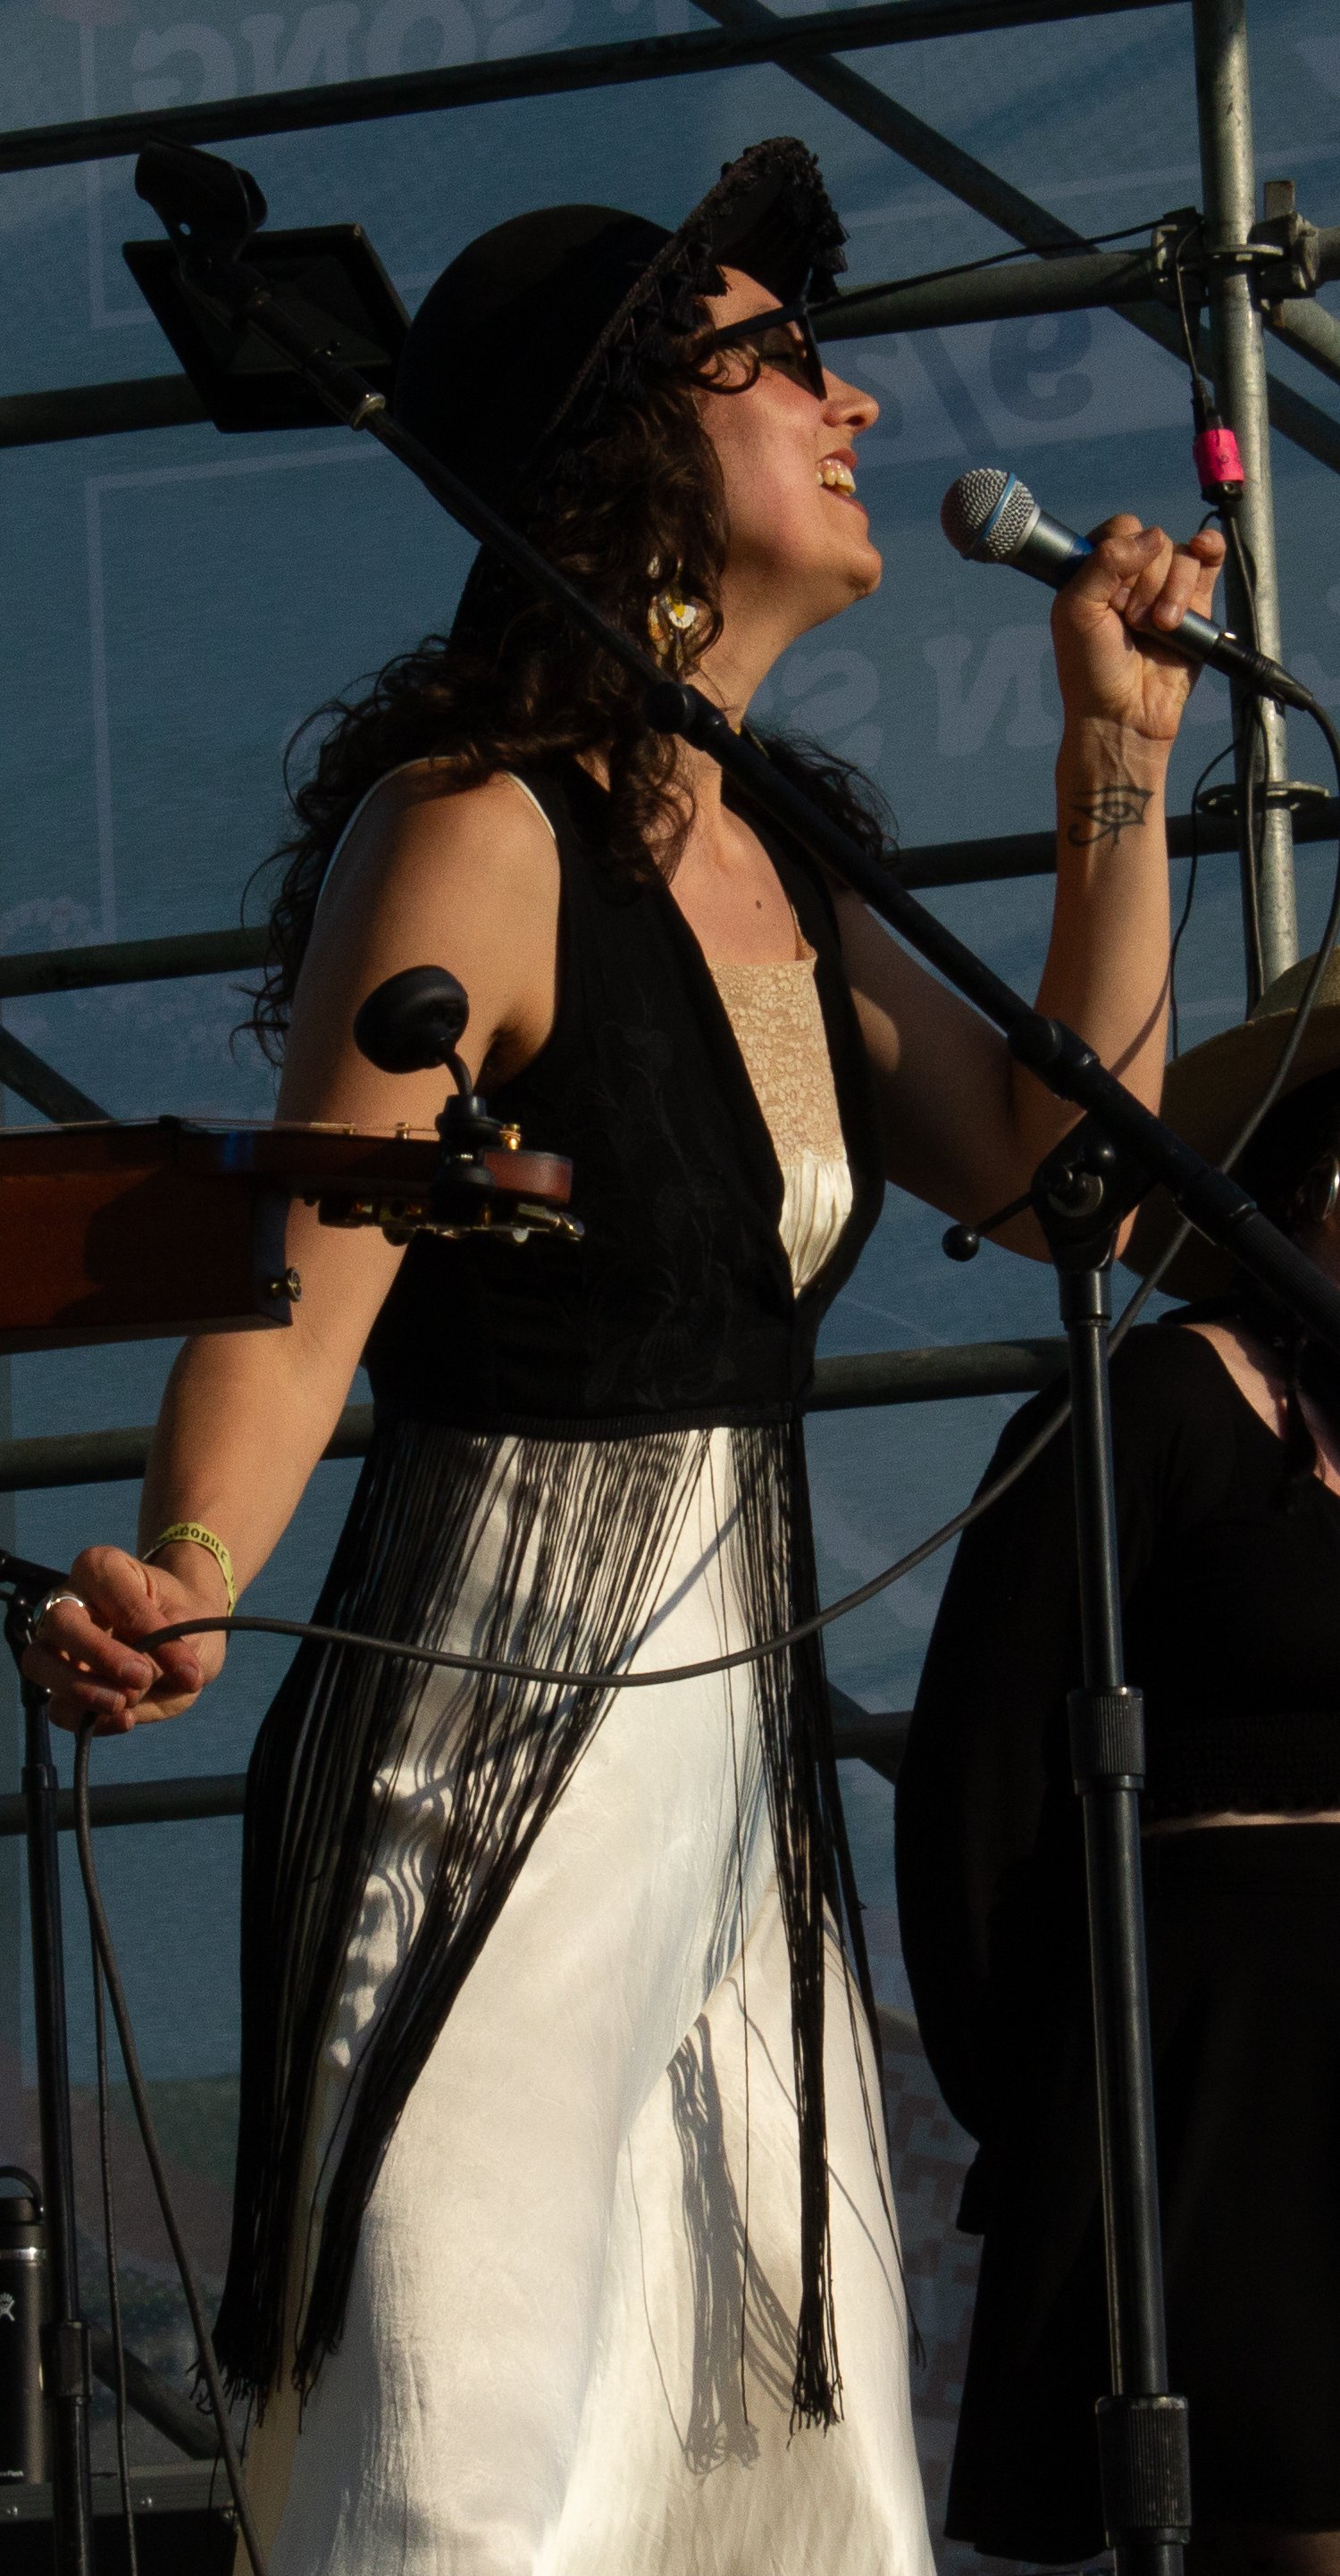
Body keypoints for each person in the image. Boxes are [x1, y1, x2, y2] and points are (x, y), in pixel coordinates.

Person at [23, 138, 1221, 2575]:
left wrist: (1117, 764)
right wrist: (191, 1564)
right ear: (631, 440)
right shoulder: (473, 830)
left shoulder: (782, 847)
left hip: (722, 1770)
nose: (853, 406)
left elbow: (1060, 1178)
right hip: (499, 1733)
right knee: (466, 2464)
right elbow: (300, 1287)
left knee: (755, 2485)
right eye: (786, 360)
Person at [897, 952, 1340, 2576]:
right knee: (1286, 2514)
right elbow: (978, 1785)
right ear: (1310, 1189)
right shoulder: (1151, 1404)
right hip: (1222, 2086)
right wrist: (1054, 2104)